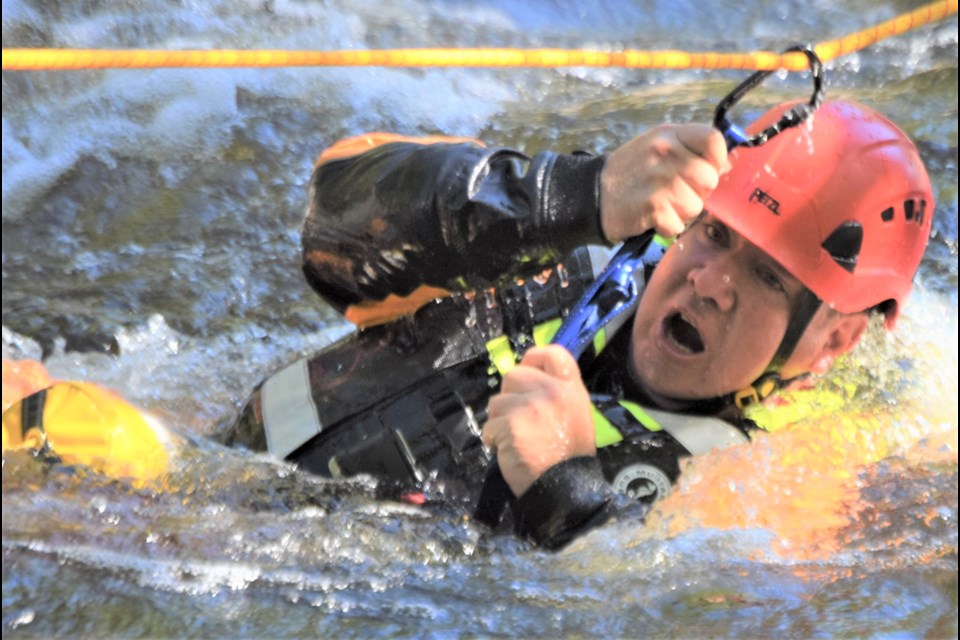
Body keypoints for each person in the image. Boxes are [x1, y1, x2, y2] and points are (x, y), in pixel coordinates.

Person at [5, 99, 931, 551]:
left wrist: (564, 483)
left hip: (219, 554)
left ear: (835, 338)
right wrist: (574, 194)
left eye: (765, 275)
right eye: (715, 235)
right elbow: (333, 221)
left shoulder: (793, 473)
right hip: (205, 466)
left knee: (59, 427)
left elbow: (671, 610)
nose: (709, 280)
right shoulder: (568, 256)